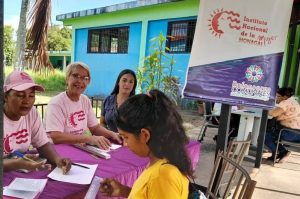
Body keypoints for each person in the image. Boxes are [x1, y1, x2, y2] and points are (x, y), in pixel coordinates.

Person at [100, 89, 193, 198]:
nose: (125, 144)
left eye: (126, 137)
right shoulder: (161, 164)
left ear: (145, 135)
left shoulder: (162, 176)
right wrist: (124, 191)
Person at [3, 71, 71, 173]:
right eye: (20, 95)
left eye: (31, 95)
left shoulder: (32, 113)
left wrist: (57, 159)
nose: (26, 101)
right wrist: (15, 163)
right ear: (5, 96)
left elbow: (42, 144)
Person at [45, 62, 122, 150]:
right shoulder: (56, 103)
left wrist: (113, 134)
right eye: (75, 76)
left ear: (88, 81)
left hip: (78, 148)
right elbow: (55, 137)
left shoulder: (85, 100)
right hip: (57, 150)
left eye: (85, 78)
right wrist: (88, 138)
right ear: (67, 78)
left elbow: (95, 128)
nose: (80, 81)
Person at [265, 87, 300, 162]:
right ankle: (279, 153)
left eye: (278, 96)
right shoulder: (294, 101)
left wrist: (265, 106)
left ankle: (282, 152)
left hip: (290, 133)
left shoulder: (286, 102)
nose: (276, 98)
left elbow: (273, 114)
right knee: (270, 132)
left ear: (284, 97)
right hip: (297, 134)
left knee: (265, 135)